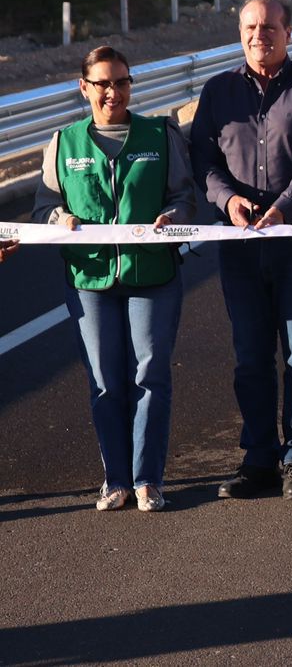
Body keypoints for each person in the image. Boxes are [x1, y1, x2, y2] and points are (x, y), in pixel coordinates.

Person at [34, 46, 197, 511]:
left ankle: (148, 479)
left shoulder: (160, 134)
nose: (113, 92)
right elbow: (44, 208)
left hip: (153, 275)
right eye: (103, 83)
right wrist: (58, 218)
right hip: (90, 279)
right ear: (84, 88)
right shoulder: (63, 143)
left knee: (149, 373)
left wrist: (172, 218)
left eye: (121, 82)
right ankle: (116, 480)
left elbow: (185, 198)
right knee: (105, 381)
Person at [191, 0, 292, 501]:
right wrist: (228, 200)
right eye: (251, 27)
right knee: (250, 357)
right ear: (240, 32)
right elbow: (203, 164)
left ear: (289, 32)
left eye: (270, 27)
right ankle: (258, 459)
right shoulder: (217, 92)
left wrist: (283, 209)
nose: (260, 35)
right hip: (240, 248)